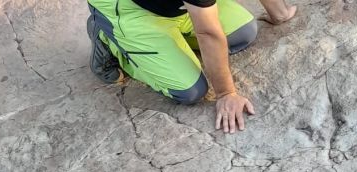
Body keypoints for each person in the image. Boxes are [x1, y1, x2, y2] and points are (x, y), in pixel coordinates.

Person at [86, 0, 296, 133]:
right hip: (128, 8)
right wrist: (226, 93)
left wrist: (280, 13)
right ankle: (107, 36)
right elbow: (208, 33)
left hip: (179, 8)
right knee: (190, 91)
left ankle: (172, 41)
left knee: (243, 32)